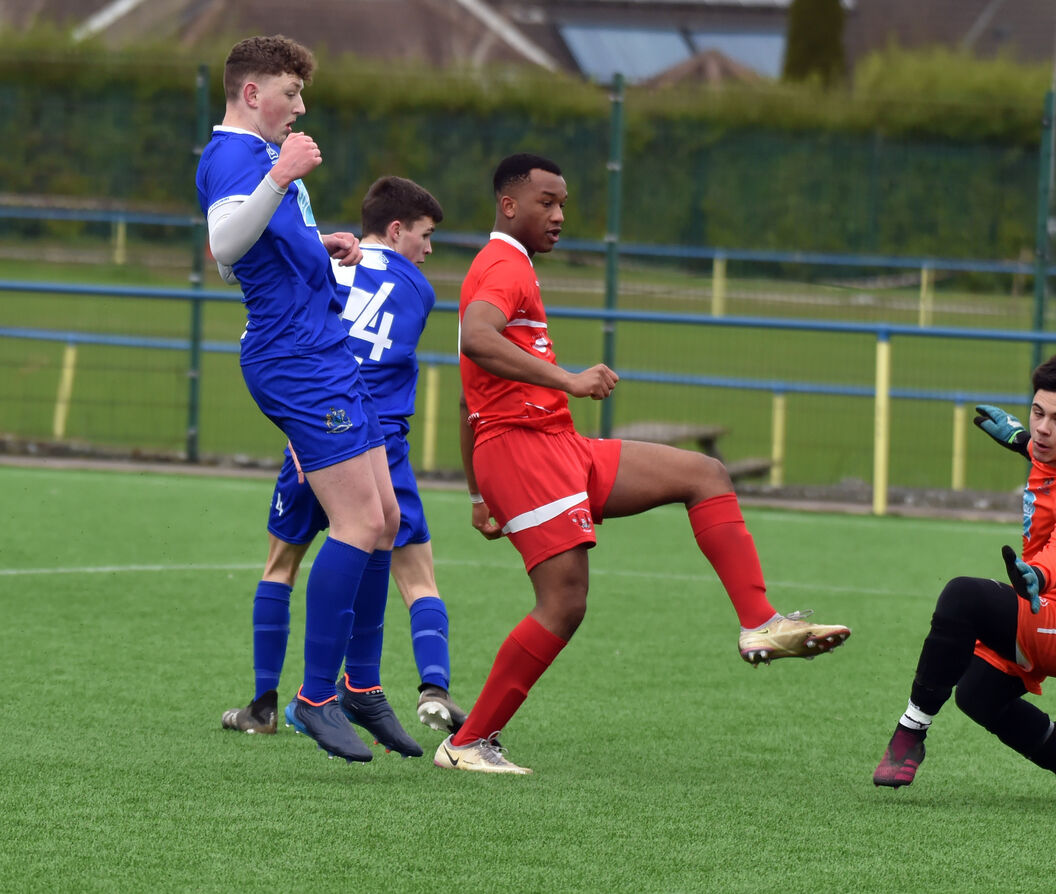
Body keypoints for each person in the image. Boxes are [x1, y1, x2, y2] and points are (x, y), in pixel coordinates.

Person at [435, 152, 852, 775]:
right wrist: (567, 380)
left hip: (555, 446)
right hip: (525, 451)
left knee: (703, 474)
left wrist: (476, 494)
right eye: (546, 202)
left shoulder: (511, 265)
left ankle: (759, 622)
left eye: (564, 203)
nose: (559, 215)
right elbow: (476, 337)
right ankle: (469, 742)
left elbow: (471, 394)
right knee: (564, 602)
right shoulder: (502, 264)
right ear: (509, 204)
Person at [196, 35, 401, 764]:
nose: (300, 107)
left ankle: (361, 686)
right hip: (293, 362)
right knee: (353, 522)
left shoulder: (262, 166)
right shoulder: (235, 156)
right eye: (290, 93)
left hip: (324, 350)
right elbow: (223, 247)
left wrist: (325, 247)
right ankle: (315, 697)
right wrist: (281, 179)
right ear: (253, 93)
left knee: (385, 519)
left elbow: (247, 261)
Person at [219, 176, 467, 754]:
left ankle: (262, 705)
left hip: (309, 423)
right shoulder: (418, 290)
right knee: (408, 565)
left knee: (281, 562)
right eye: (426, 236)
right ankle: (396, 685)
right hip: (370, 436)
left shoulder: (321, 265)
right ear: (398, 229)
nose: (429, 250)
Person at [873, 352, 1056, 802]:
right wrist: (1018, 440)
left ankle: (909, 731)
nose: (1043, 429)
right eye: (1037, 413)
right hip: (1045, 610)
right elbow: (1046, 452)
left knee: (962, 597)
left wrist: (1041, 574)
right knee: (978, 695)